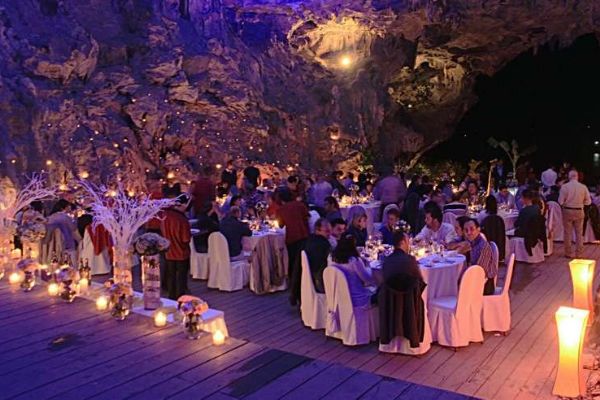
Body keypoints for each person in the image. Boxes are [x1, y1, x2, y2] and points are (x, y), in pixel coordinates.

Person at [277, 190, 310, 305]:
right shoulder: (300, 205)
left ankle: (293, 285)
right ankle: (303, 281)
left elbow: (281, 225)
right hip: (304, 235)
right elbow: (307, 217)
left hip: (292, 238)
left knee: (293, 262)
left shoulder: (282, 209)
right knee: (303, 260)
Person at [160, 194, 192, 300]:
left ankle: (171, 295)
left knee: (171, 275)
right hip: (181, 252)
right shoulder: (182, 219)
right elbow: (185, 239)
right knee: (181, 276)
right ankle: (180, 297)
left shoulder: (165, 215)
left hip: (169, 251)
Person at [330, 235, 376, 307]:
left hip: (339, 298)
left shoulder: (330, 257)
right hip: (357, 299)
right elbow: (368, 279)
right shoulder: (353, 260)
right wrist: (370, 267)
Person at [559, 170, 592, 258]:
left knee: (567, 233)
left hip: (567, 210)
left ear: (569, 177)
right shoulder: (583, 187)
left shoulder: (564, 187)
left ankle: (568, 253)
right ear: (577, 176)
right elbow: (588, 202)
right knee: (579, 233)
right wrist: (581, 203)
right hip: (579, 210)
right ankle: (579, 253)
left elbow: (560, 201)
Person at [463, 218, 497, 295]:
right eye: (466, 230)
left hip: (485, 284)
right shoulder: (471, 243)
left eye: (472, 229)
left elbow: (480, 272)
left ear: (478, 229)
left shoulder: (483, 246)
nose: (469, 232)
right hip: (477, 279)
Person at [304, 218, 332, 293]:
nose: (329, 234)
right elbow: (329, 263)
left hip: (312, 279)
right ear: (317, 230)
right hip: (320, 282)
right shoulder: (322, 244)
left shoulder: (310, 240)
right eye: (327, 231)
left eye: (330, 231)